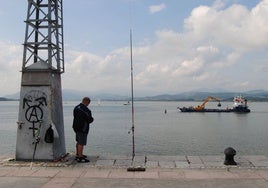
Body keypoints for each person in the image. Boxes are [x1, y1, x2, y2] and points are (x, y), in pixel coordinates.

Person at [72, 97, 94, 163]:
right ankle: (80, 157)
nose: (88, 104)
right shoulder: (85, 110)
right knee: (81, 143)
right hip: (82, 128)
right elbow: (89, 119)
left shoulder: (76, 107)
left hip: (75, 126)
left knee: (78, 141)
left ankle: (78, 154)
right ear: (87, 102)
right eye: (88, 103)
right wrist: (92, 119)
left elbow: (75, 116)